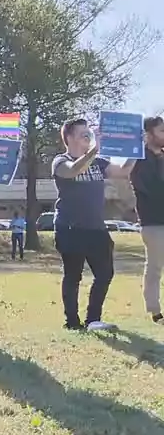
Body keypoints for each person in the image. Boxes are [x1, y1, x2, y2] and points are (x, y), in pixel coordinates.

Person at [52, 118, 135, 331]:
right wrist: (95, 150)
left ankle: (93, 320)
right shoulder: (61, 161)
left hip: (96, 228)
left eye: (89, 134)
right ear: (69, 138)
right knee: (73, 275)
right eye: (83, 134)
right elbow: (73, 170)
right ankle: (72, 322)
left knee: (105, 273)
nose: (87, 137)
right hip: (69, 228)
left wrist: (136, 148)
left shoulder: (100, 162)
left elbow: (123, 172)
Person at [131, 116, 164, 324]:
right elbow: (151, 187)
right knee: (155, 266)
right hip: (153, 221)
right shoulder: (139, 158)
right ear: (149, 134)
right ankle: (155, 311)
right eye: (161, 131)